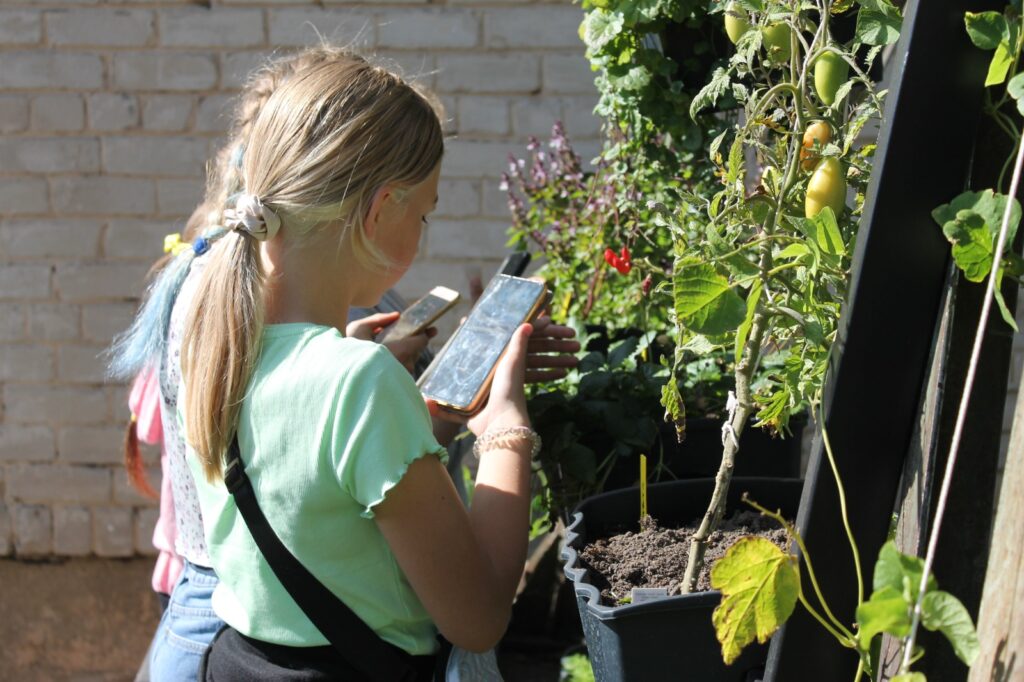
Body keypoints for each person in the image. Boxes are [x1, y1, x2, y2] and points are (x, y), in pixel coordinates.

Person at [175, 50, 555, 679]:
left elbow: (321, 500)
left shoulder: (215, 346)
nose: (425, 227)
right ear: (380, 212)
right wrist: (505, 431)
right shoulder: (359, 380)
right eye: (424, 211)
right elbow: (480, 617)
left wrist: (418, 417)